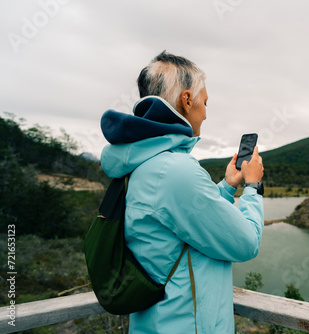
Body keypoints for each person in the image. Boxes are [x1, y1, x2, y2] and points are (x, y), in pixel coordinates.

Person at [99, 51, 264, 333]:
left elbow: (180, 222)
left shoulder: (144, 163)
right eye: (204, 102)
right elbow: (246, 243)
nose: (206, 112)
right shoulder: (175, 171)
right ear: (187, 100)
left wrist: (226, 186)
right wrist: (253, 187)